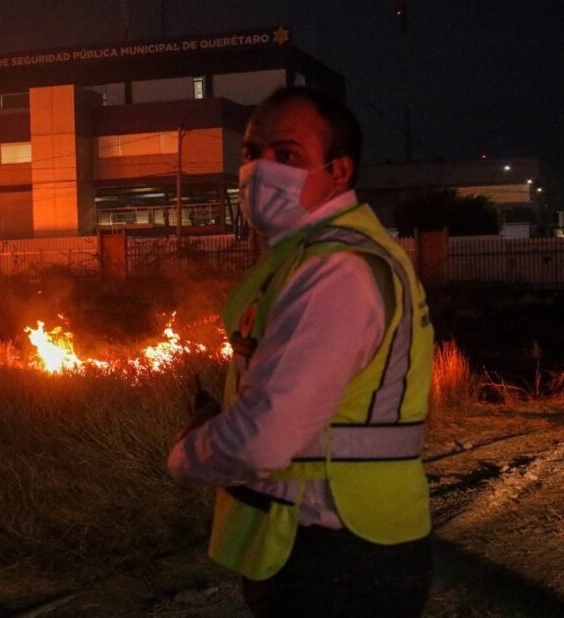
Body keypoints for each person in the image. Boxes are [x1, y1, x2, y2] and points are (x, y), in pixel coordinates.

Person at [167, 86, 435, 617]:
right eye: (251, 154)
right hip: (340, 548)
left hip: (336, 559)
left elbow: (262, 439)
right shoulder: (317, 255)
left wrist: (187, 454)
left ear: (339, 172)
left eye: (286, 156)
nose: (259, 170)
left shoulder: (333, 271)